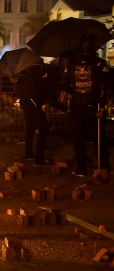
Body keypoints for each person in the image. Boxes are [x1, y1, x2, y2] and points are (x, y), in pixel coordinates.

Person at [62, 33, 110, 176]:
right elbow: (104, 85)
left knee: (79, 137)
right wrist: (101, 104)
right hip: (93, 105)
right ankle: (104, 166)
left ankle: (80, 168)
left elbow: (65, 84)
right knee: (99, 137)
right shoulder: (100, 63)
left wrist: (75, 93)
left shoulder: (71, 63)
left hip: (77, 105)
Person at [15, 64, 51, 166]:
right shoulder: (35, 74)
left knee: (30, 128)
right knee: (44, 128)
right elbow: (41, 91)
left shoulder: (24, 75)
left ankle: (29, 154)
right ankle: (39, 159)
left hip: (26, 105)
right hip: (33, 106)